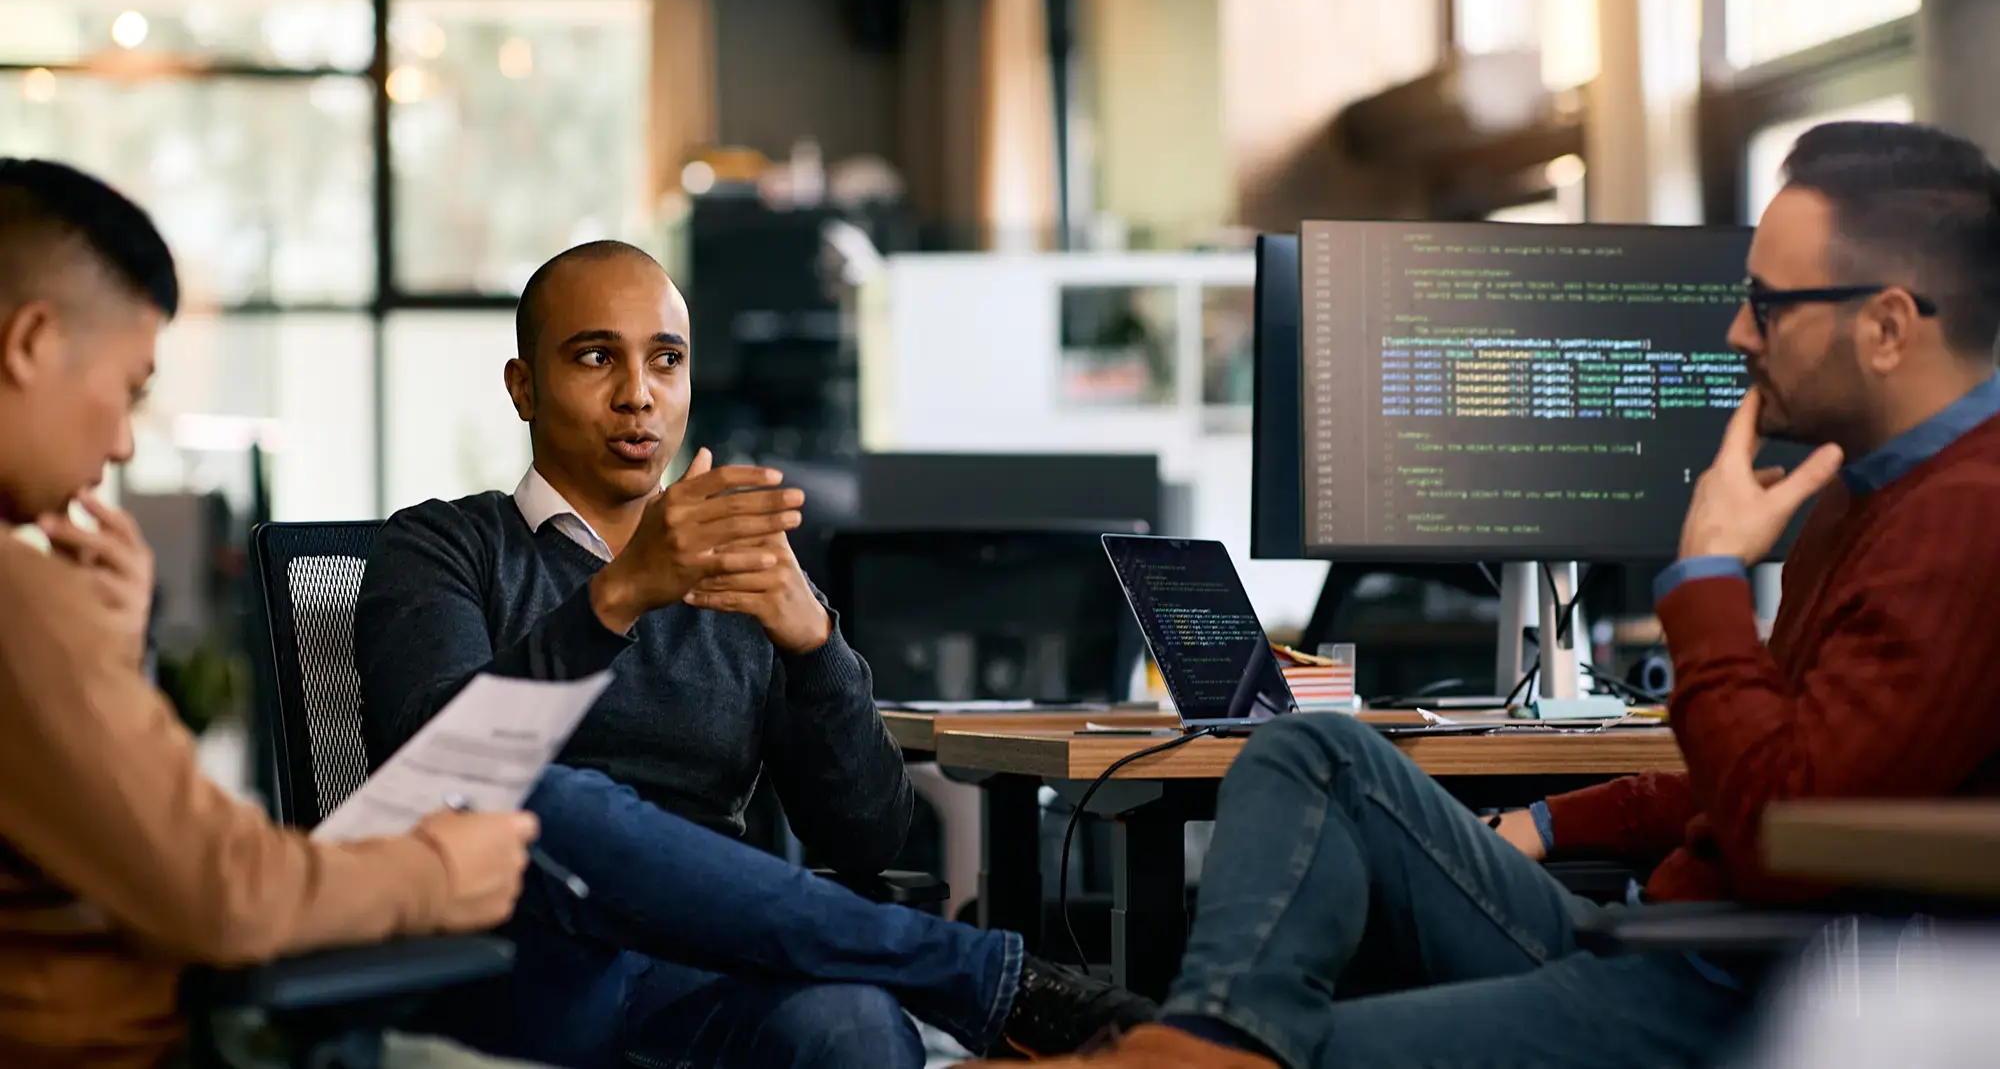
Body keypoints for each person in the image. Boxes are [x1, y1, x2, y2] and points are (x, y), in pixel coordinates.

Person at [970, 119, 2000, 1069]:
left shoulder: (1962, 523)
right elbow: (1761, 768)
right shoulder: (1861, 496)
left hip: (1723, 995)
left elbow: (1785, 833)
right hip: (1659, 938)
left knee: (1308, 1049)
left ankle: (1197, 1051)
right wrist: (1552, 823)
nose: (1735, 332)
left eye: (1766, 304)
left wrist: (1706, 582)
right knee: (1312, 751)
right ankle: (1207, 1040)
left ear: (1886, 327)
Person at [355, 240, 1150, 1068]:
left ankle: (978, 982)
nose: (638, 394)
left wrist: (815, 645)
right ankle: (990, 980)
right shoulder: (443, 544)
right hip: (516, 962)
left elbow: (870, 838)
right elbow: (441, 763)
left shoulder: (739, 570)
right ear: (524, 387)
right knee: (536, 799)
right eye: (597, 357)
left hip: (707, 966)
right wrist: (620, 594)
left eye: (667, 360)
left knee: (851, 1023)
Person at [0, 157, 546, 1069]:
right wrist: (441, 872)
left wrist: (101, 649)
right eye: (130, 387)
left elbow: (130, 828)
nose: (125, 439)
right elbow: (227, 889)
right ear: (32, 343)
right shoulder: (19, 603)